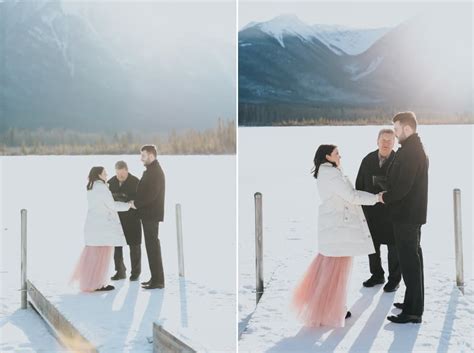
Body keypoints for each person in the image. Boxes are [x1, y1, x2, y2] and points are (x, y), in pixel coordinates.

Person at [292, 144, 385, 327]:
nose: (339, 156)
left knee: (329, 271)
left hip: (335, 228)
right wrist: (376, 198)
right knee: (336, 273)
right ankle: (332, 310)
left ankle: (330, 307)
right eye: (336, 153)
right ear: (327, 156)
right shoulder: (332, 175)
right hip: (339, 229)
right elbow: (351, 196)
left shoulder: (326, 172)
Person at [381, 112, 428, 324]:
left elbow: (403, 187)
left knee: (410, 263)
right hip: (410, 215)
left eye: (397, 129)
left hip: (407, 216)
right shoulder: (411, 149)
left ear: (407, 129)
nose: (395, 133)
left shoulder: (412, 152)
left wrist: (385, 197)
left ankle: (413, 311)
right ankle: (412, 302)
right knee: (413, 262)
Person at [71, 166, 131, 292]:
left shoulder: (91, 187)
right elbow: (112, 206)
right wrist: (128, 205)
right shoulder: (102, 188)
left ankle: (92, 283)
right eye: (104, 173)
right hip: (103, 227)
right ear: (99, 175)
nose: (107, 175)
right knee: (102, 257)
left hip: (93, 226)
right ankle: (98, 284)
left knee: (93, 257)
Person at [356, 129, 401, 292]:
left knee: (393, 247)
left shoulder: (399, 160)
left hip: (392, 211)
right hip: (371, 211)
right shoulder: (367, 160)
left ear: (394, 142)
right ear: (377, 141)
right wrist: (361, 208)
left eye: (390, 140)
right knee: (372, 245)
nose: (386, 143)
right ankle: (377, 274)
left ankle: (394, 279)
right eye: (383, 139)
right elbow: (359, 184)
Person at [131, 145, 166, 290]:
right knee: (151, 247)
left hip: (151, 215)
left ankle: (158, 281)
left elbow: (151, 195)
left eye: (143, 156)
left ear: (151, 156)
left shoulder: (155, 172)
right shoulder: (151, 170)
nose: (141, 159)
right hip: (148, 215)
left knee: (153, 247)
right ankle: (155, 278)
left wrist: (136, 204)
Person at [108, 161, 142, 281]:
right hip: (117, 219)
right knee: (117, 246)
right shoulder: (111, 182)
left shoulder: (136, 182)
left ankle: (135, 272)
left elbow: (140, 199)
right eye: (117, 174)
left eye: (122, 174)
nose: (120, 176)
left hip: (133, 218)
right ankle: (120, 271)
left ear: (127, 170)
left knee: (135, 246)